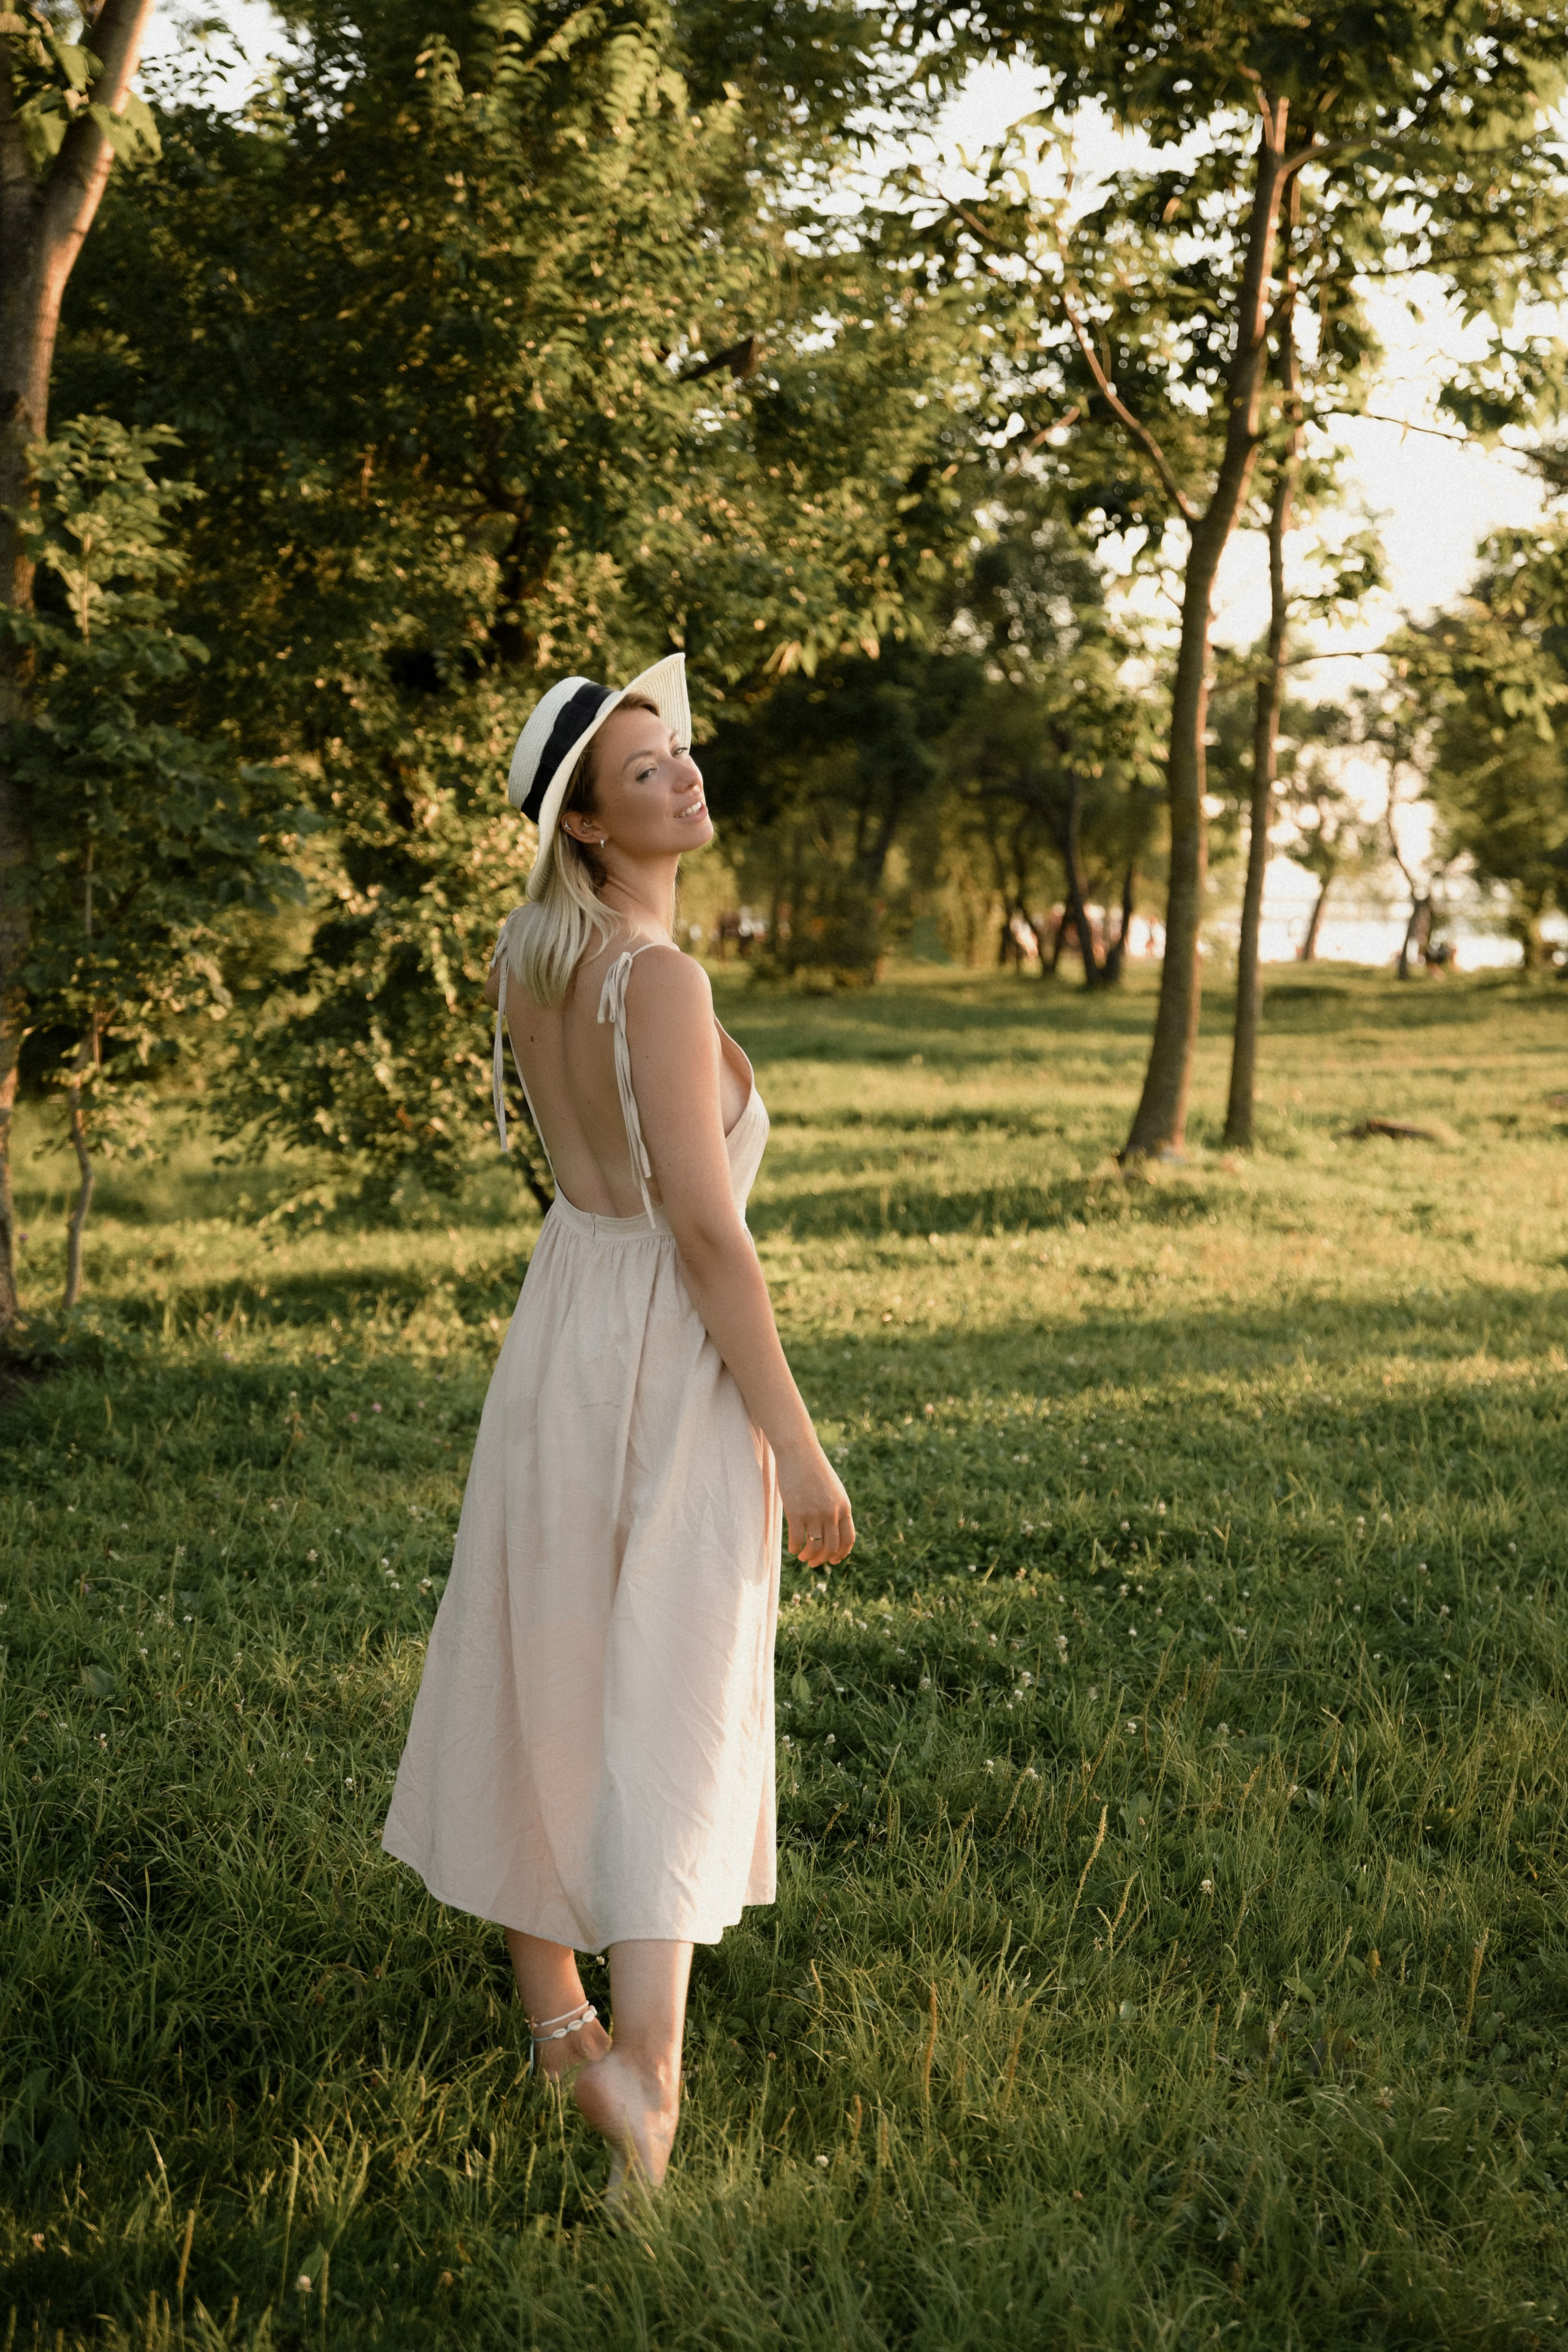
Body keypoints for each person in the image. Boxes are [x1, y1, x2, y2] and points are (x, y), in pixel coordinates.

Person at [382, 653, 854, 2212]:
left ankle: (555, 2019)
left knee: (545, 1648)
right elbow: (709, 1239)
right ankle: (641, 2076)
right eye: (645, 770)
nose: (684, 777)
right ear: (587, 825)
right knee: (666, 1679)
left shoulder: (533, 957)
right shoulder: (655, 981)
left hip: (563, 1323)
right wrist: (793, 1441)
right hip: (658, 1341)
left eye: (679, 756)